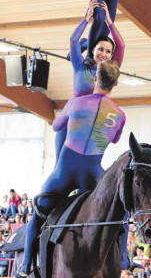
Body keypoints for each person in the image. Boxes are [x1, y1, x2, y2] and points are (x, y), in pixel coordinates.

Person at [18, 60, 125, 276]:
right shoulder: (119, 115)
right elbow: (114, 140)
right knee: (116, 212)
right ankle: (123, 257)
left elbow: (57, 126)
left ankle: (26, 264)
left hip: (64, 172)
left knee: (39, 212)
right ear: (116, 83)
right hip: (92, 175)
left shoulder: (76, 103)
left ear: (95, 78)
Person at [55, 0, 125, 164]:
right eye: (100, 49)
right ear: (92, 49)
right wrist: (86, 18)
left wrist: (110, 21)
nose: (104, 54)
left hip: (92, 125)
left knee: (85, 170)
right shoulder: (80, 66)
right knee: (59, 166)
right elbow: (73, 41)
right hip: (71, 122)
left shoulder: (112, 69)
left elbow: (121, 46)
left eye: (108, 52)